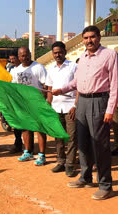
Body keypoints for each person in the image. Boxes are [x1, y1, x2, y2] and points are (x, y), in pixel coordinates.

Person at [52, 26, 118, 200]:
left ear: (99, 38)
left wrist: (110, 109)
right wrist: (61, 89)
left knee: (100, 145)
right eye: (86, 38)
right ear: (83, 40)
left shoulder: (109, 55)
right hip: (82, 102)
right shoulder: (82, 57)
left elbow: (115, 85)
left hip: (99, 102)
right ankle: (85, 177)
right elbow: (76, 81)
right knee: (83, 143)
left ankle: (105, 185)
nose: (89, 41)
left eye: (92, 37)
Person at [11, 47, 47, 166]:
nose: (24, 57)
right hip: (23, 104)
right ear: (18, 56)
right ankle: (28, 152)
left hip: (37, 103)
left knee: (40, 128)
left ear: (30, 54)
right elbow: (14, 87)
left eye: (26, 55)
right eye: (22, 55)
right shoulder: (16, 70)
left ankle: (41, 155)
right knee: (26, 128)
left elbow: (45, 85)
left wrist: (42, 100)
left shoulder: (38, 67)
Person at [46, 41, 78, 177]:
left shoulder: (74, 67)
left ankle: (70, 164)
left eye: (59, 52)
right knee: (58, 136)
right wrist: (48, 105)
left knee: (72, 137)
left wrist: (76, 106)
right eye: (55, 53)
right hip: (55, 108)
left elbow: (79, 88)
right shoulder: (51, 69)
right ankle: (61, 161)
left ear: (65, 52)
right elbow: (49, 89)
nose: (57, 55)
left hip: (70, 107)